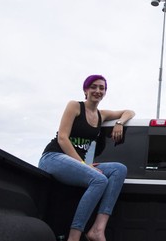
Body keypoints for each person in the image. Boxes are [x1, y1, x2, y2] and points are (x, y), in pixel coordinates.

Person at [38, 74, 135, 241]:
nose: (98, 90)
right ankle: (74, 237)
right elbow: (62, 138)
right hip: (54, 157)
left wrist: (120, 123)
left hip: (78, 164)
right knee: (99, 180)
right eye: (93, 86)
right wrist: (84, 164)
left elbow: (129, 111)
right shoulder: (75, 106)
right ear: (86, 90)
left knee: (119, 169)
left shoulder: (101, 115)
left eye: (102, 88)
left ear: (105, 92)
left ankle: (97, 230)